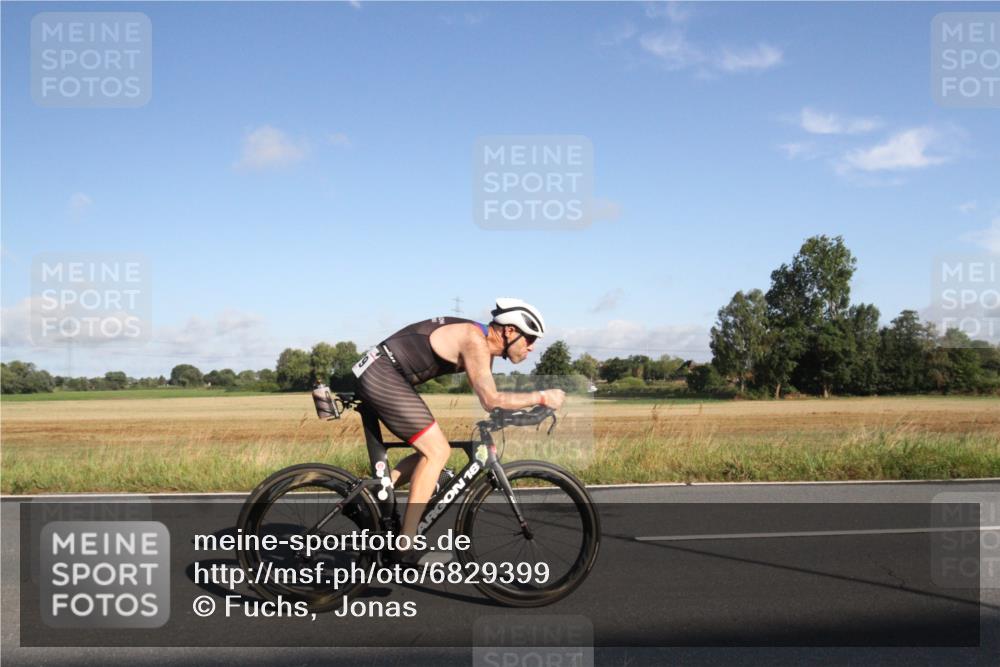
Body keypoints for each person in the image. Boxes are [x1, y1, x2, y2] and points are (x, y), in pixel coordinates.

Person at [352, 298, 565, 564]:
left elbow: (492, 401)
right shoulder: (474, 340)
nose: (531, 347)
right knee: (437, 452)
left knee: (429, 454)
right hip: (381, 374)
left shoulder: (482, 346)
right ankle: (405, 544)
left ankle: (369, 498)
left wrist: (522, 414)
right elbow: (491, 398)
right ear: (510, 331)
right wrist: (542, 397)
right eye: (530, 338)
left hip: (382, 371)